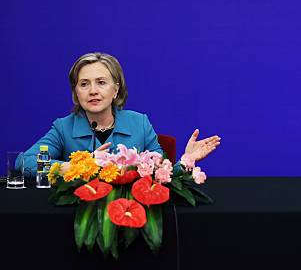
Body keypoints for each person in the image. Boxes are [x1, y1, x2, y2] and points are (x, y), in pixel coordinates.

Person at [21, 52, 221, 177]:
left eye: (101, 82)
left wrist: (186, 159)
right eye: (84, 84)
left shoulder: (139, 123)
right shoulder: (64, 128)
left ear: (115, 89)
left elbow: (161, 172)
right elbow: (25, 162)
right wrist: (80, 166)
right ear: (76, 92)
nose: (92, 91)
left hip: (132, 216)